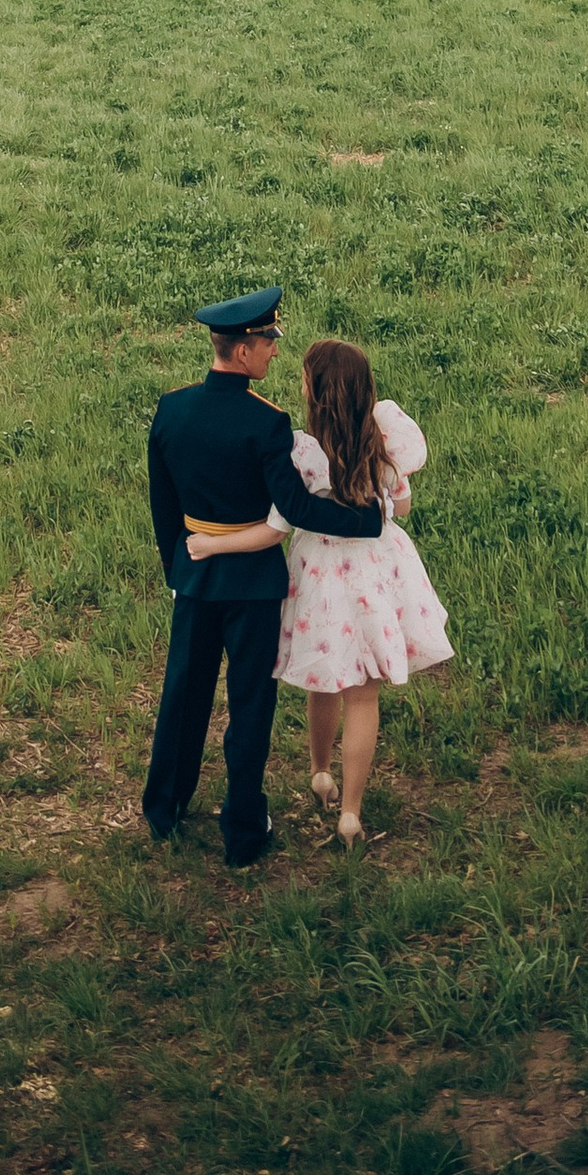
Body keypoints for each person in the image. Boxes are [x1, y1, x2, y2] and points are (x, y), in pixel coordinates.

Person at [143, 286, 387, 867]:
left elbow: (163, 506)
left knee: (183, 696)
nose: (275, 353)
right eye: (269, 343)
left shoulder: (172, 409)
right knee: (250, 706)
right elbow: (296, 509)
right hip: (252, 585)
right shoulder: (267, 424)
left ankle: (164, 807)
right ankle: (244, 832)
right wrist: (365, 520)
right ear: (246, 350)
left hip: (196, 577)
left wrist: (177, 567)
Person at [183, 335, 450, 846]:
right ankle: (350, 813)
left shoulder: (303, 453)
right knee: (363, 693)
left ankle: (320, 771)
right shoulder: (385, 438)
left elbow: (274, 528)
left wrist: (214, 546)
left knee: (325, 676)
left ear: (316, 395)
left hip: (324, 577)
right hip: (375, 572)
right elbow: (404, 505)